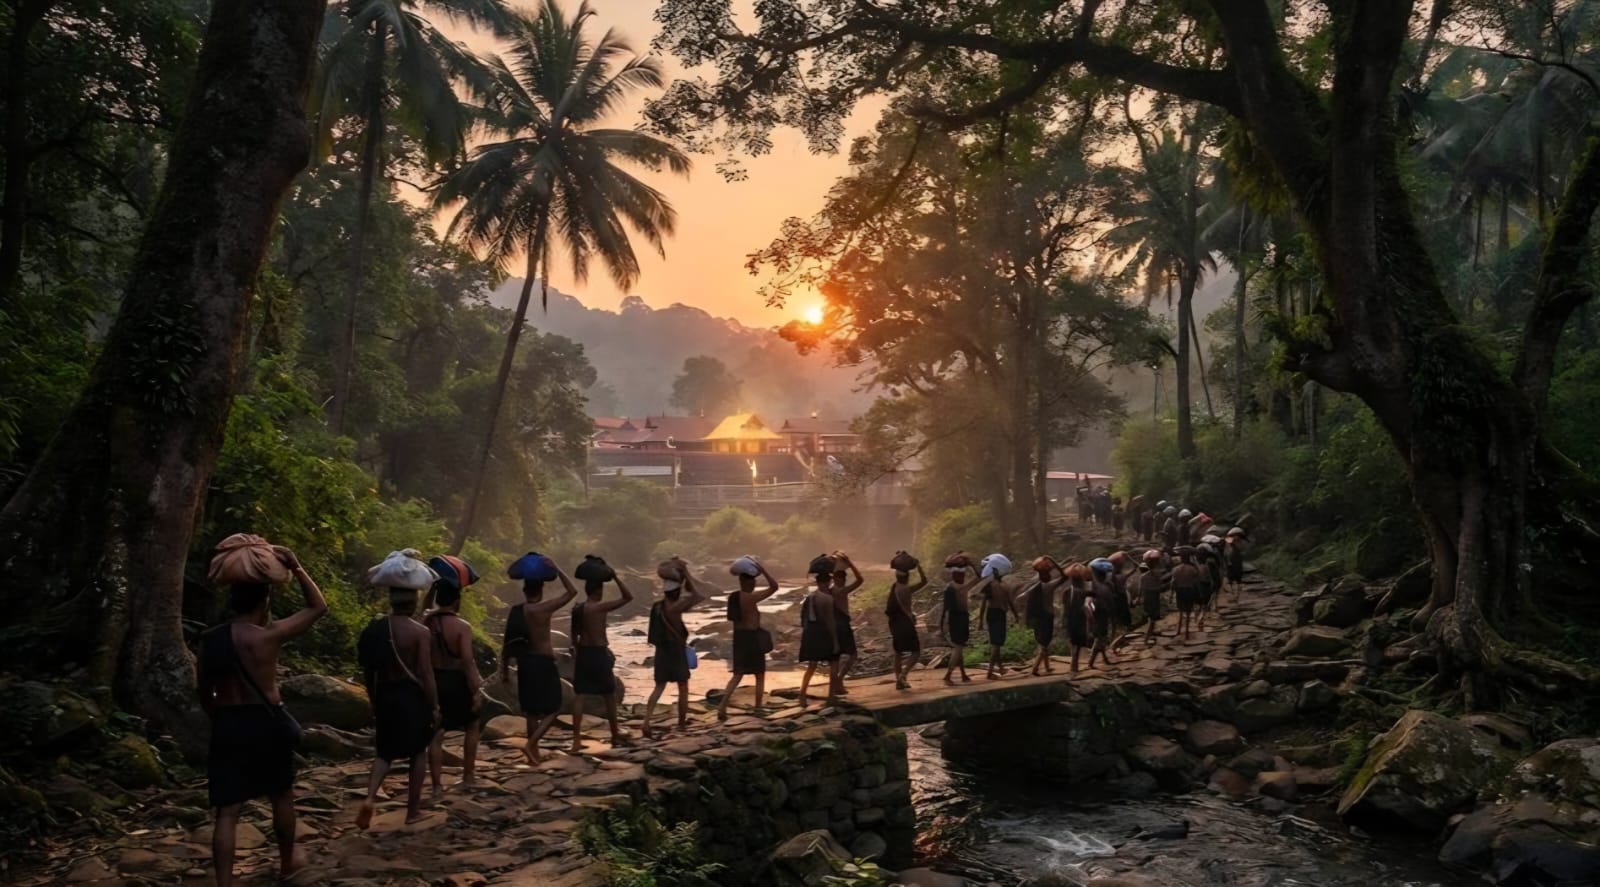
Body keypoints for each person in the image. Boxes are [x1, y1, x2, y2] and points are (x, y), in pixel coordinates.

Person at [198, 545, 326, 887]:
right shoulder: (270, 636)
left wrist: (221, 719)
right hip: (268, 724)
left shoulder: (209, 640)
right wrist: (297, 566)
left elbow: (203, 692)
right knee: (281, 794)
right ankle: (286, 864)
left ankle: (224, 882)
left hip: (228, 723)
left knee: (227, 811)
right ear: (264, 601)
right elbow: (318, 607)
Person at [355, 587, 439, 830]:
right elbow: (425, 672)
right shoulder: (420, 632)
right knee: (418, 752)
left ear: (391, 601)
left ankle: (370, 797)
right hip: (410, 696)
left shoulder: (375, 629)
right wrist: (434, 704)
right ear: (413, 604)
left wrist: (373, 700)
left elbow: (368, 670)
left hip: (384, 694)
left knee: (384, 753)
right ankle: (413, 812)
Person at [499, 565, 579, 765]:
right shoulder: (544, 608)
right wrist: (558, 569)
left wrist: (504, 668)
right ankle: (531, 744)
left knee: (531, 711)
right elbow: (572, 592)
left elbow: (508, 641)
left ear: (525, 591)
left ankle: (533, 754)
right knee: (554, 708)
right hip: (543, 662)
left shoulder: (517, 611)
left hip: (525, 663)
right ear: (541, 591)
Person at [422, 556, 483, 795]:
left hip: (434, 681)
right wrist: (476, 687)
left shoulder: (426, 621)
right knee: (472, 724)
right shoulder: (462, 627)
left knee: (436, 733)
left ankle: (437, 786)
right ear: (457, 600)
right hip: (457, 681)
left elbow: (422, 609)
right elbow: (467, 661)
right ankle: (468, 776)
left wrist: (432, 589)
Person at [569, 569, 635, 752]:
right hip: (598, 652)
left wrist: (575, 649)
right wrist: (614, 577)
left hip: (583, 653)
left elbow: (574, 635)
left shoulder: (578, 609)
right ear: (599, 592)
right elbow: (628, 597)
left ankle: (576, 740)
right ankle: (614, 734)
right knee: (609, 694)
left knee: (580, 695)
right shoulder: (600, 607)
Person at [643, 558, 703, 739]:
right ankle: (682, 723)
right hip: (675, 651)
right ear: (677, 592)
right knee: (683, 687)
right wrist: (686, 574)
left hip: (661, 651)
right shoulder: (676, 608)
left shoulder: (658, 607)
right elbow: (698, 595)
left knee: (659, 687)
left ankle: (646, 721)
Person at [718, 558, 780, 721]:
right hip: (751, 638)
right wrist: (763, 569)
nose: (753, 584)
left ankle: (722, 707)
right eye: (752, 581)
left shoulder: (734, 597)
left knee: (737, 674)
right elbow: (774, 587)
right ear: (745, 582)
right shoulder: (749, 598)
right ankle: (758, 708)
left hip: (739, 639)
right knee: (759, 674)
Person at [797, 566, 841, 704]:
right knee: (834, 664)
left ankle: (802, 694)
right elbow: (830, 621)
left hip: (811, 633)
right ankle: (831, 697)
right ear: (828, 582)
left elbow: (803, 619)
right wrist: (835, 641)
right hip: (824, 633)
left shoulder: (810, 597)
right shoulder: (827, 599)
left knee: (812, 666)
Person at [938, 565, 986, 684]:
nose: (963, 577)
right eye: (961, 575)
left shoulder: (961, 587)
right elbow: (946, 608)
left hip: (962, 618)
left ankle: (963, 674)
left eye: (963, 575)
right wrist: (943, 624)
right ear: (955, 576)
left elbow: (979, 576)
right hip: (957, 619)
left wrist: (970, 564)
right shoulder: (952, 589)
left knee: (959, 647)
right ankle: (948, 676)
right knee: (958, 647)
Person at [886, 562, 929, 690]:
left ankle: (899, 681)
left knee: (898, 652)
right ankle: (903, 675)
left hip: (894, 624)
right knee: (915, 652)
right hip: (905, 622)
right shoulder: (906, 589)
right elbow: (924, 582)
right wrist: (920, 568)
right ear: (907, 577)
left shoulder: (895, 588)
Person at [828, 553, 865, 695]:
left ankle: (837, 683)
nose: (843, 580)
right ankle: (838, 682)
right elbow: (860, 580)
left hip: (834, 625)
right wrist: (850, 564)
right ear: (835, 578)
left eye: (844, 578)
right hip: (841, 625)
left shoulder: (830, 590)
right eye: (841, 578)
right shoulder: (840, 591)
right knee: (852, 655)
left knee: (836, 658)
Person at [1023, 557, 1066, 676]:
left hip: (1038, 617)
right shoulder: (1049, 586)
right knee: (1044, 644)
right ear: (1048, 576)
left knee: (1042, 642)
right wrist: (1053, 561)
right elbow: (1064, 576)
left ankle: (1047, 667)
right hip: (1047, 616)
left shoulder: (1036, 587)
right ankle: (1035, 669)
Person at [977, 565, 1019, 681]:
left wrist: (980, 620)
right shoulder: (1004, 586)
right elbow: (1010, 602)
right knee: (997, 643)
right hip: (1000, 614)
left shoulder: (989, 586)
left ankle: (1000, 668)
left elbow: (983, 605)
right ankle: (990, 672)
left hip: (991, 614)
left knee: (996, 642)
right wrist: (1016, 616)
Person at [1087, 559, 1119, 669]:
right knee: (1099, 640)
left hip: (1101, 615)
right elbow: (1093, 603)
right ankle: (1091, 662)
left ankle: (1103, 659)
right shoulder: (1101, 587)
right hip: (1100, 616)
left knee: (1101, 639)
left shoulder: (1102, 586)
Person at [1063, 565, 1092, 673]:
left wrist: (1064, 620)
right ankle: (1074, 666)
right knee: (1078, 643)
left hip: (1070, 619)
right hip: (1079, 619)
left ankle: (1073, 665)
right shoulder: (1082, 592)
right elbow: (1095, 594)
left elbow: (1065, 608)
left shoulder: (1066, 591)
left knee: (1073, 642)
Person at [1170, 548, 1202, 640]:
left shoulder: (1175, 569)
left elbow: (1173, 583)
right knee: (1188, 613)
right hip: (1189, 590)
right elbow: (1197, 582)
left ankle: (1179, 631)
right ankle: (1187, 631)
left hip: (1180, 591)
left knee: (1180, 612)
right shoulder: (1192, 569)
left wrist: (1171, 595)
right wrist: (1199, 592)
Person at [1134, 549, 1164, 644]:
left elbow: (1140, 590)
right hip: (1155, 595)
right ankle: (1147, 637)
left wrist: (1138, 598)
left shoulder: (1143, 577)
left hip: (1148, 596)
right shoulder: (1158, 574)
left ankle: (1149, 635)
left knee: (1150, 617)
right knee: (1153, 617)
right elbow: (1160, 585)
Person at [1225, 530, 1247, 597]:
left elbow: (1242, 548)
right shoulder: (1229, 540)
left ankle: (1237, 593)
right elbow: (1227, 551)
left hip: (1237, 560)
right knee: (1231, 577)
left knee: (1237, 576)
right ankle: (1233, 592)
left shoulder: (1240, 541)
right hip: (1232, 560)